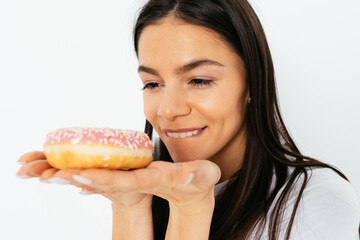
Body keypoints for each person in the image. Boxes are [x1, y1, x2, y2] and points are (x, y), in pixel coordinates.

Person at [17, 0, 360, 239]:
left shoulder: (316, 206)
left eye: (199, 80)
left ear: (252, 82)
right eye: (152, 84)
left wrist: (192, 207)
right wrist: (131, 207)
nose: (167, 109)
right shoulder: (146, 185)